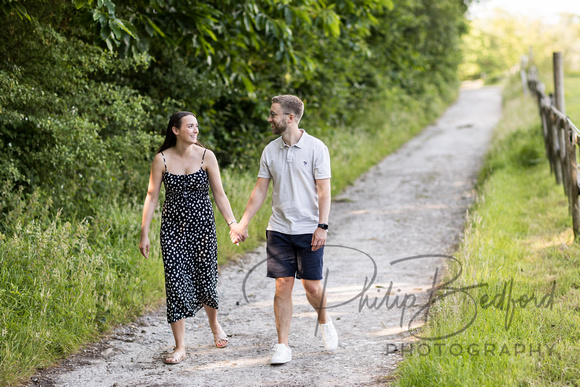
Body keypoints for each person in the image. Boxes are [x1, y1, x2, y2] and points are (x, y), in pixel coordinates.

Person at [230, 95, 338, 365]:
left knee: (312, 287)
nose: (269, 119)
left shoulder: (316, 148)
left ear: (290, 118)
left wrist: (322, 226)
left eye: (273, 114)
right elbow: (260, 191)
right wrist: (243, 222)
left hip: (309, 228)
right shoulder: (270, 150)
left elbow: (324, 191)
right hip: (279, 229)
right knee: (282, 286)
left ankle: (324, 321)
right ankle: (282, 345)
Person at [139, 111, 241, 364]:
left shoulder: (207, 156)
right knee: (175, 283)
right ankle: (180, 347)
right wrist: (144, 232)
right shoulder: (161, 159)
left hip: (203, 228)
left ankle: (215, 325)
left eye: (197, 126)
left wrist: (232, 224)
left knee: (206, 277)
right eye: (190, 126)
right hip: (173, 230)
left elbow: (219, 194)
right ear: (175, 130)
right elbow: (152, 196)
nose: (196, 130)